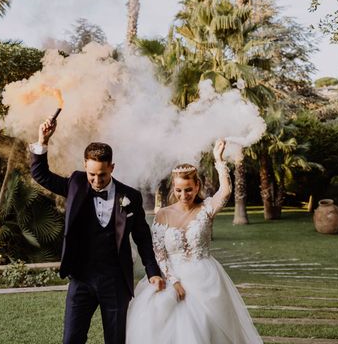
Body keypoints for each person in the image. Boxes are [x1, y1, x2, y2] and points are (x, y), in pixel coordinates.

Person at [29, 118, 165, 344]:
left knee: (116, 339)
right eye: (92, 174)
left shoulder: (130, 196)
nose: (96, 180)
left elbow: (142, 237)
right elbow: (40, 174)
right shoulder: (75, 183)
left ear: (112, 167)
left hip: (115, 279)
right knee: (71, 339)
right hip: (81, 278)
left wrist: (153, 271)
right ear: (85, 165)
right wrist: (43, 141)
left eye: (102, 174)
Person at [125, 140, 264, 344]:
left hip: (205, 277)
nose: (184, 195)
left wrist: (219, 161)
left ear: (197, 186)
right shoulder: (162, 214)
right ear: (174, 187)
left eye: (188, 189)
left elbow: (225, 192)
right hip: (171, 275)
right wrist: (174, 281)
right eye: (179, 190)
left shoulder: (206, 208)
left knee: (206, 325)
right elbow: (159, 253)